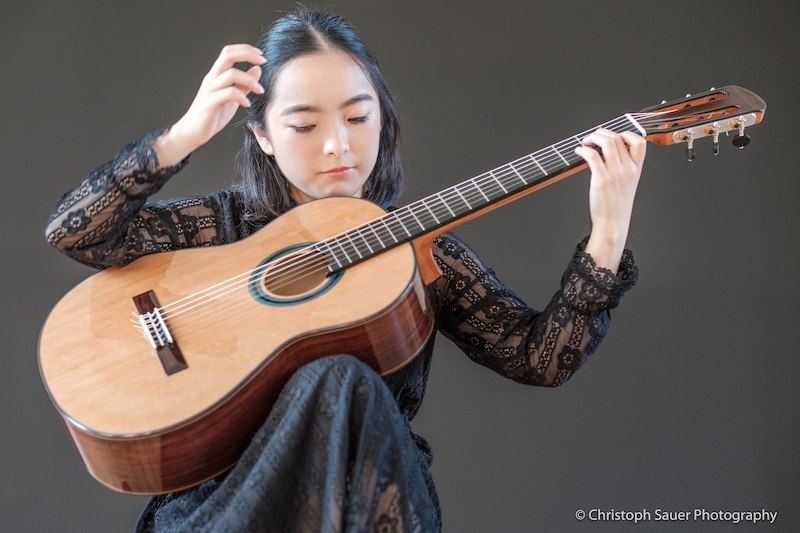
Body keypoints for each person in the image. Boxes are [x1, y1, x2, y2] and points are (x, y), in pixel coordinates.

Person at [45, 7, 644, 533]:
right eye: (305, 126)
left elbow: (537, 359)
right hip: (226, 503)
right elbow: (73, 231)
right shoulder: (219, 226)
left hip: (372, 496)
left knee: (344, 382)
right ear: (264, 136)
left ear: (383, 120)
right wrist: (183, 135)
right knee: (338, 377)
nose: (338, 145)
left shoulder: (415, 251)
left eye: (358, 118)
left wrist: (608, 233)